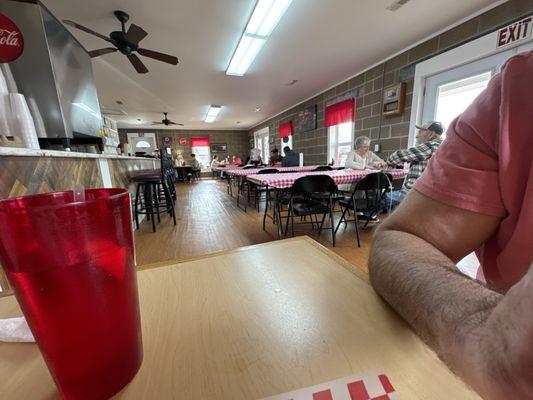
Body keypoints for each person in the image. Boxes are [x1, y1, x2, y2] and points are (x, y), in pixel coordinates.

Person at [368, 51, 533, 400]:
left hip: (412, 194)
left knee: (384, 200)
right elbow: (404, 235)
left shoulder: (429, 145)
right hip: (427, 198)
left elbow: (396, 159)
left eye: (424, 129)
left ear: (430, 132)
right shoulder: (515, 91)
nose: (423, 132)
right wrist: (489, 335)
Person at [383, 121, 444, 209]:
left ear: (430, 134)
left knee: (377, 199)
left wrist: (387, 162)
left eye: (420, 132)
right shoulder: (442, 147)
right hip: (427, 195)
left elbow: (399, 155)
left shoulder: (431, 145)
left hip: (414, 194)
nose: (417, 136)